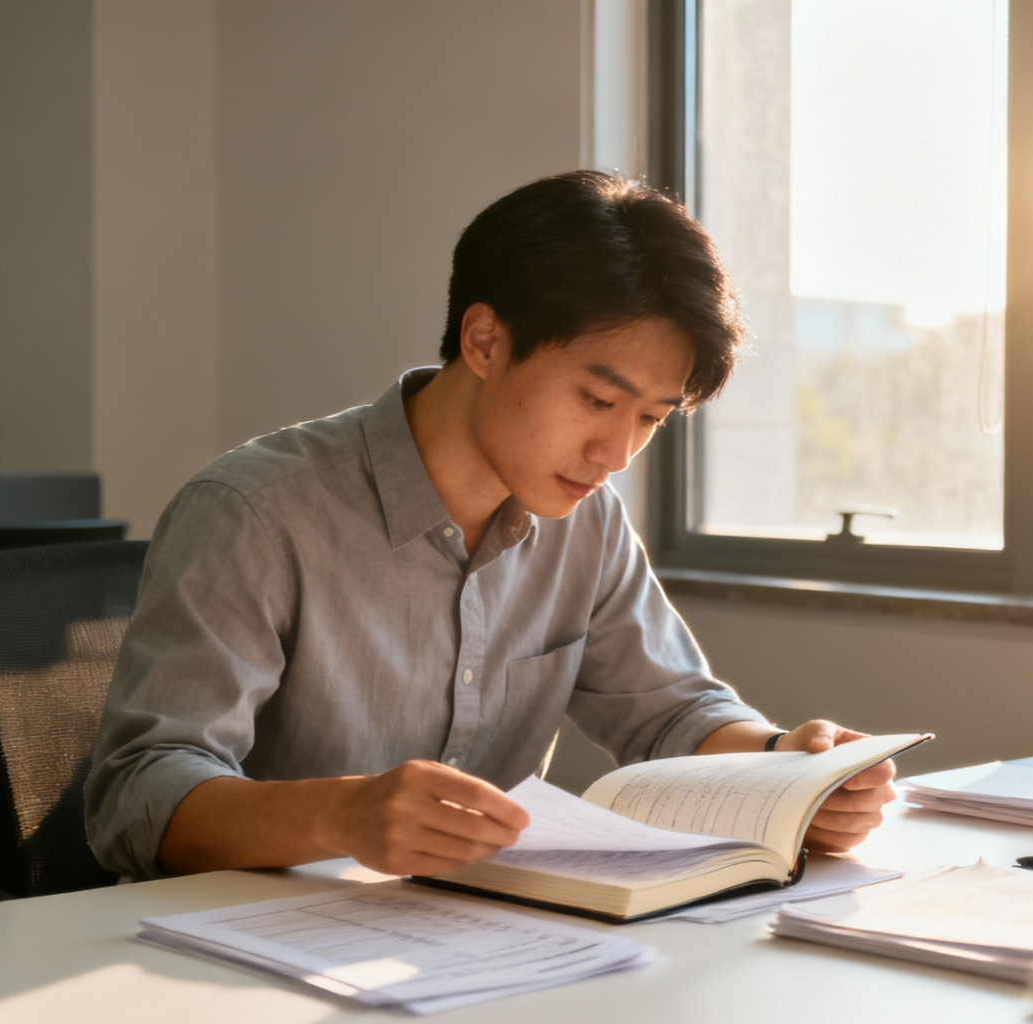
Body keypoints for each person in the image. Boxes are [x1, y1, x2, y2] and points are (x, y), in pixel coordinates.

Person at [83, 170, 898, 881]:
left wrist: (783, 767)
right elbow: (136, 794)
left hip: (471, 949)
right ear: (484, 340)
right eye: (598, 400)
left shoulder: (587, 520)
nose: (616, 451)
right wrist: (342, 817)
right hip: (237, 950)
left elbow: (672, 715)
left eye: (651, 418)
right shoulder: (254, 514)